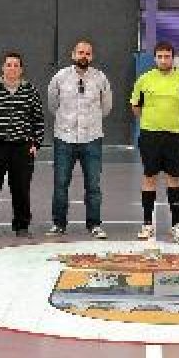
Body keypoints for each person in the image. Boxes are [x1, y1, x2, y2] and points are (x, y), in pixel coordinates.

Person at [130, 41, 179, 244]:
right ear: (155, 58)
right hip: (150, 135)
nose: (163, 60)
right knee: (149, 177)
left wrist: (171, 120)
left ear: (173, 58)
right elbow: (136, 106)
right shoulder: (144, 79)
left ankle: (176, 224)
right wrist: (152, 121)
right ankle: (147, 224)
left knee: (173, 178)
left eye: (167, 56)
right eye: (160, 56)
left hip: (175, 135)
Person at [46, 39, 112, 239]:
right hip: (64, 138)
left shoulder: (100, 78)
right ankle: (59, 224)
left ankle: (94, 224)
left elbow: (106, 107)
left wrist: (91, 123)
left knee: (93, 184)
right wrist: (65, 123)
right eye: (80, 53)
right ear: (73, 55)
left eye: (87, 53)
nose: (84, 56)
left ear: (91, 56)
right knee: (60, 183)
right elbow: (52, 104)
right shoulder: (60, 77)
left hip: (92, 138)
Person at [0, 53, 44, 238]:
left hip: (21, 148)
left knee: (21, 188)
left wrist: (36, 143)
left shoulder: (30, 91)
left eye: (15, 65)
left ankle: (21, 226)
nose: (12, 68)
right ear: (2, 68)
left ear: (21, 70)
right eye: (9, 65)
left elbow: (38, 120)